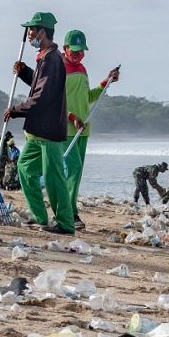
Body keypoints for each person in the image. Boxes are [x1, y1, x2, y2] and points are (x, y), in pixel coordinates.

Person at [6, 12, 73, 233]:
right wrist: (25, 72)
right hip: (37, 130)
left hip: (49, 129)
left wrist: (15, 110)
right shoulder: (44, 57)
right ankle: (39, 216)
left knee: (54, 178)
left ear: (42, 32)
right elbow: (38, 84)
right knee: (25, 168)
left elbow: (41, 97)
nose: (29, 34)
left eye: (32, 30)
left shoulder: (53, 59)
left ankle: (65, 223)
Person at [61, 29, 119, 228]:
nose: (78, 55)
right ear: (65, 48)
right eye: (74, 50)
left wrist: (107, 82)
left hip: (83, 129)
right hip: (66, 129)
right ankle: (68, 214)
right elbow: (53, 101)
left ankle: (71, 211)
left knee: (76, 174)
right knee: (73, 169)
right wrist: (71, 116)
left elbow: (88, 97)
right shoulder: (58, 67)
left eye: (81, 51)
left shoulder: (83, 69)